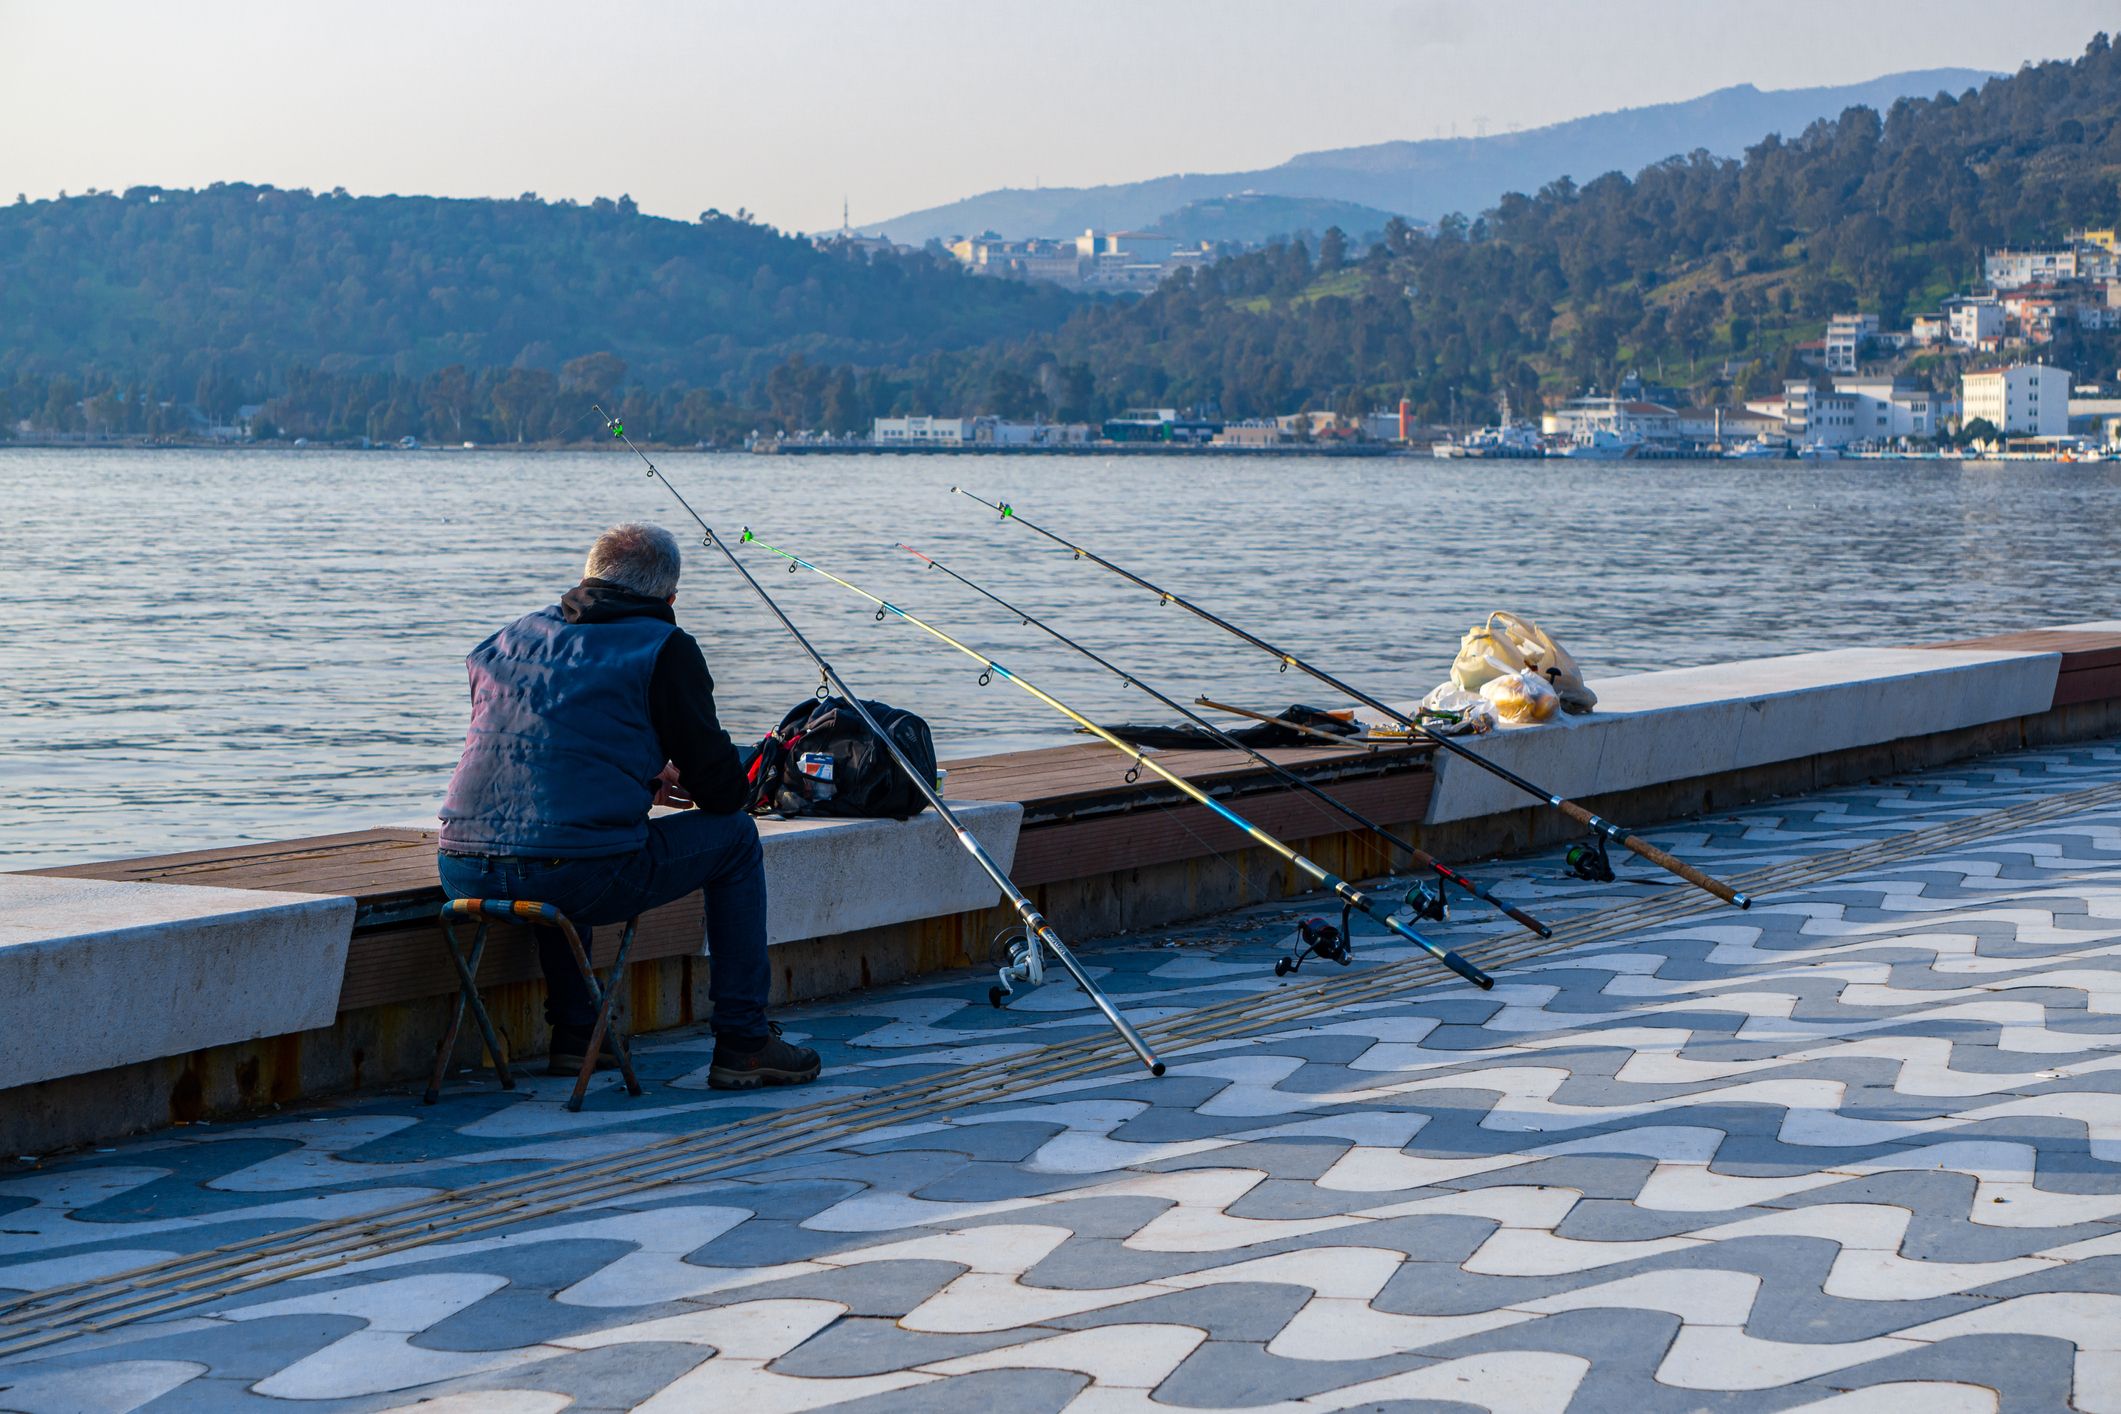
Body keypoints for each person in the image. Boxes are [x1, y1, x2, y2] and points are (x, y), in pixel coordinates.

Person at [436, 521, 821, 1090]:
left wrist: (640, 774)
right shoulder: (664, 646)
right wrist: (676, 775)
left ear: (589, 575)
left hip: (462, 866)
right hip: (573, 875)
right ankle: (743, 1042)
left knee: (559, 835)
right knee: (735, 839)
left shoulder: (506, 637)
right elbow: (720, 792)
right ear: (669, 598)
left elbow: (540, 756)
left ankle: (576, 1036)